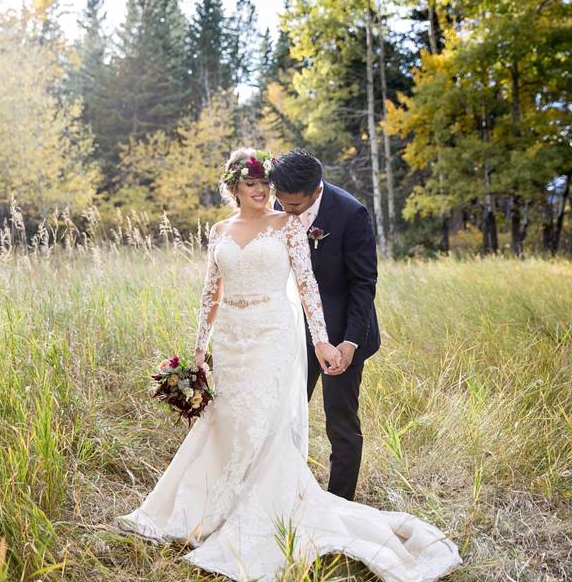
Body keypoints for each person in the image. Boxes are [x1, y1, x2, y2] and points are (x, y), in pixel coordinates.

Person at [113, 147, 461, 582]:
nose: (265, 193)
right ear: (234, 188)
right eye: (253, 185)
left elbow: (316, 287)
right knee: (231, 421)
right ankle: (212, 505)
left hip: (284, 334)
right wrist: (200, 348)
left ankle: (310, 503)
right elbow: (210, 292)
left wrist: (326, 342)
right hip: (234, 337)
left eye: (267, 186)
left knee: (301, 420)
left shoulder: (309, 222)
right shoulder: (221, 229)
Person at [269, 147, 380, 502]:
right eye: (281, 203)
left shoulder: (350, 213)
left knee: (340, 420)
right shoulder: (280, 206)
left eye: (295, 207)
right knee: (284, 415)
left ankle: (339, 504)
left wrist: (349, 343)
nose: (286, 212)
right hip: (295, 332)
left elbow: (363, 285)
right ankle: (283, 493)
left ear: (316, 191)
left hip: (342, 333)